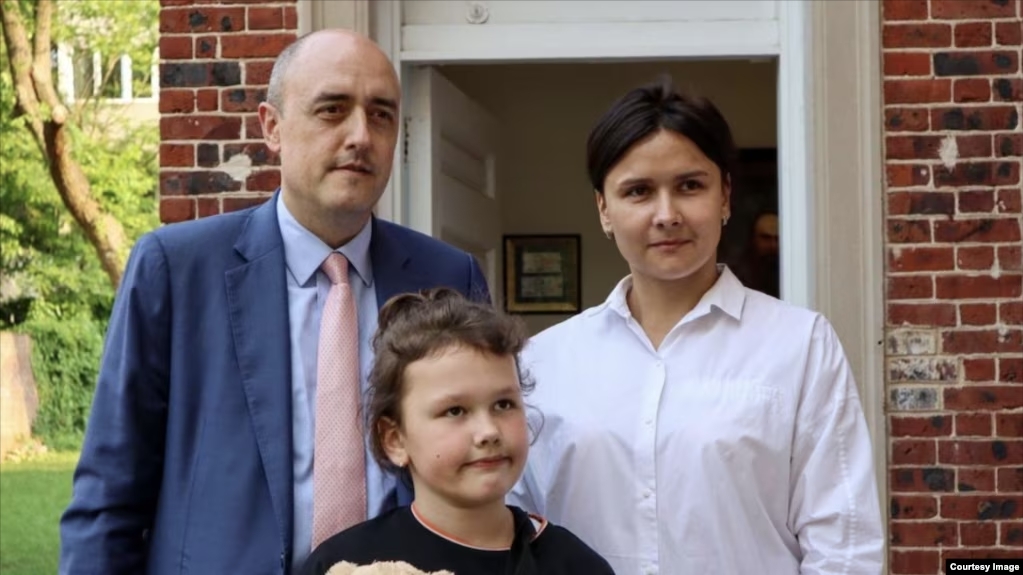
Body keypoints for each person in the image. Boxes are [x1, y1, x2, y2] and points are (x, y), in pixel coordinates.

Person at [59, 30, 489, 574]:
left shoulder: (447, 275)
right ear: (272, 127)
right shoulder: (176, 269)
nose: (361, 134)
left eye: (381, 114)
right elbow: (109, 495)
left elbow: (479, 472)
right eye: (332, 110)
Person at [508, 78, 883, 574]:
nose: (667, 215)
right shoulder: (545, 361)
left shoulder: (800, 344)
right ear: (604, 209)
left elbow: (845, 543)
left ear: (725, 196)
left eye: (690, 186)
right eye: (638, 191)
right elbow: (511, 526)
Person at [300, 289, 615, 575]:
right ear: (395, 439)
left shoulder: (575, 565)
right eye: (455, 411)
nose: (488, 432)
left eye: (504, 404)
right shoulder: (348, 564)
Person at [730, 209, 780, 297]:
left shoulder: (792, 272)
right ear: (753, 239)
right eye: (766, 238)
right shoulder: (735, 276)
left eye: (777, 239)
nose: (773, 245)